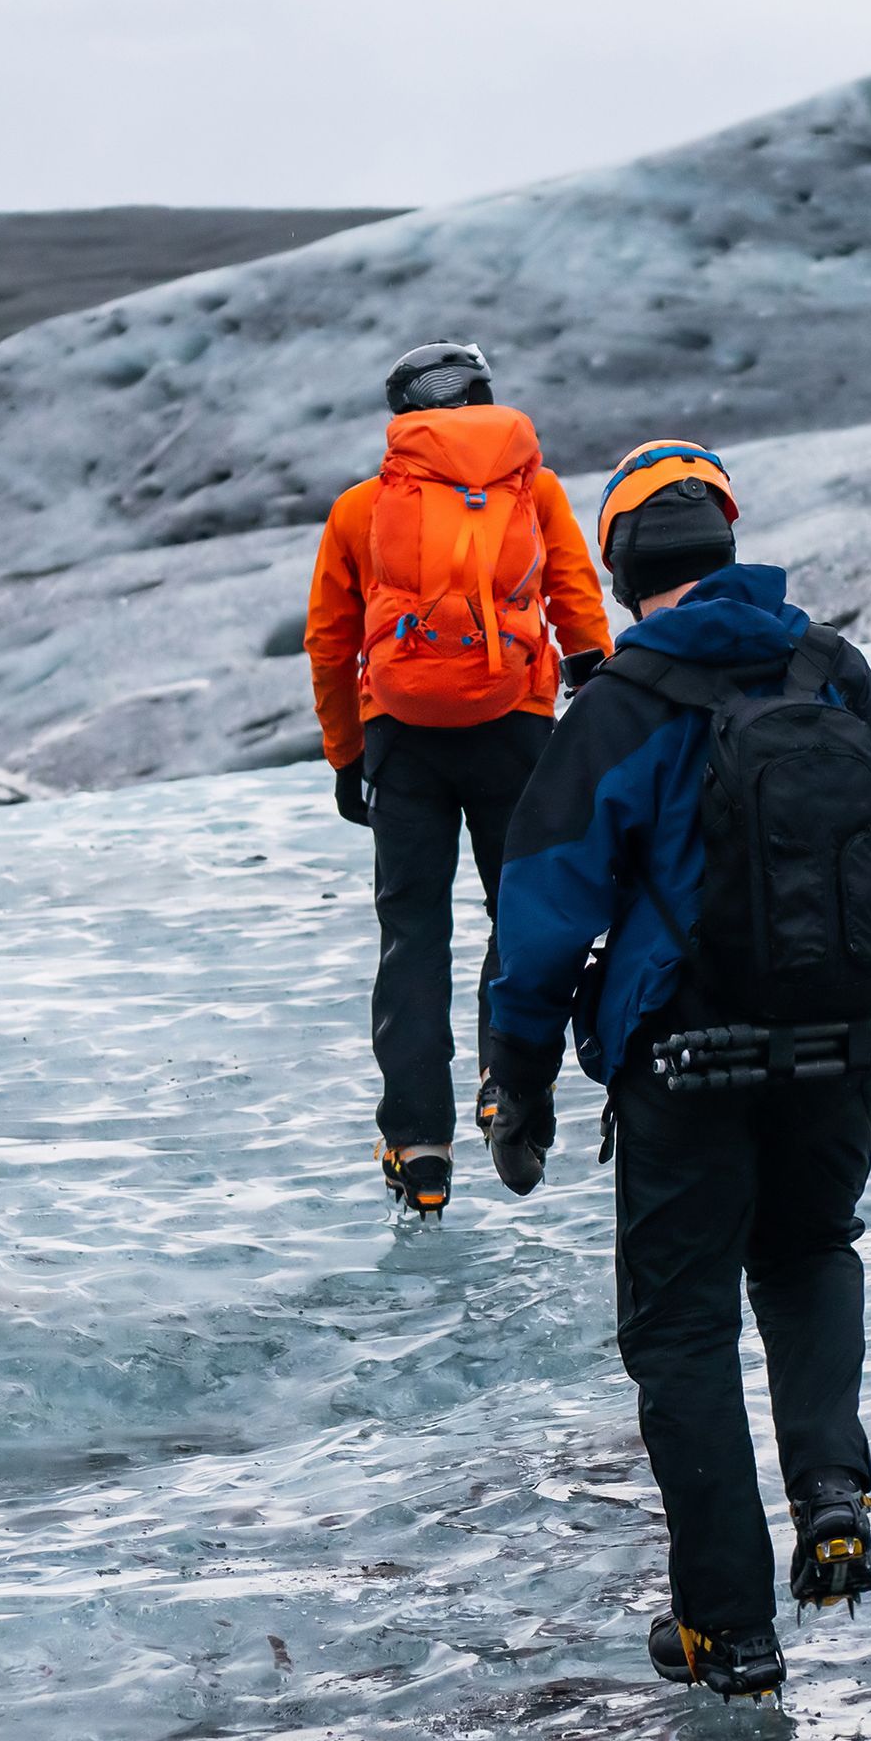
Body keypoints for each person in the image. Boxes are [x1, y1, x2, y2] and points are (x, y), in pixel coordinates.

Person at [476, 440, 871, 1702]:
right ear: (727, 547)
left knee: (682, 1335)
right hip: (845, 1048)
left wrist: (514, 1075)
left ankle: (726, 1626)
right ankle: (833, 1489)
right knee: (807, 1255)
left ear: (624, 566)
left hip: (682, 1065)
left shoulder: (626, 705)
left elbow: (541, 909)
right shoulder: (832, 673)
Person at [305, 342, 614, 1218]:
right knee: (515, 910)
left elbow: (329, 642)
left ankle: (419, 1145)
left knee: (412, 932)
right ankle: (504, 1087)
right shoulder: (534, 490)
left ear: (401, 416)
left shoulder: (363, 507)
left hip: (399, 733)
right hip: (514, 724)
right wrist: (592, 693)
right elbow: (575, 605)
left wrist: (346, 753)